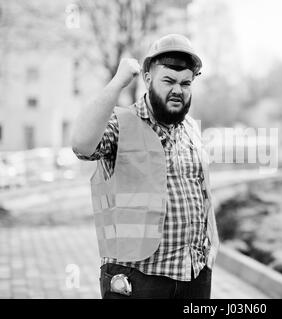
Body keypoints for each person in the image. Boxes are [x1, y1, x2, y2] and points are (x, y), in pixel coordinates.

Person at [71, 34, 219, 299]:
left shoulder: (192, 130)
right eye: (169, 81)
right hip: (138, 279)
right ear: (148, 79)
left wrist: (212, 247)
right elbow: (82, 145)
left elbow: (202, 191)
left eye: (186, 83)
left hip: (194, 276)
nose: (178, 90)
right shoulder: (122, 124)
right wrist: (118, 82)